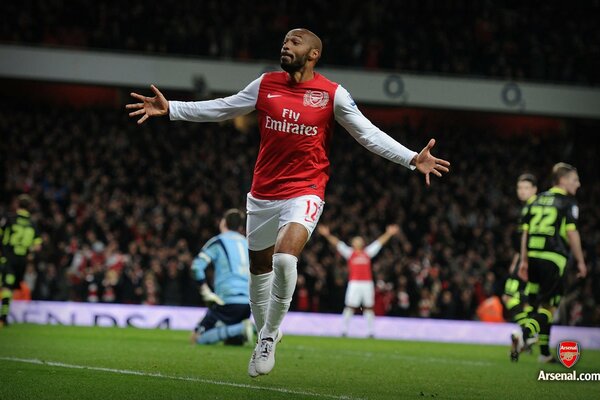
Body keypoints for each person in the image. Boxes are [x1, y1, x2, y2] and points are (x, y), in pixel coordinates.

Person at [126, 28, 450, 377]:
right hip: (263, 194)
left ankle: (267, 336)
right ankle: (266, 326)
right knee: (258, 274)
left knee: (284, 259)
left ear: (313, 54)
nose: (286, 44)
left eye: (295, 42)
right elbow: (224, 107)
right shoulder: (265, 84)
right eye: (284, 40)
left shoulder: (331, 94)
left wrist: (411, 158)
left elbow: (367, 133)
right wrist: (173, 108)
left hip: (306, 190)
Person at [512, 163, 587, 363]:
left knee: (535, 304)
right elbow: (572, 232)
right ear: (562, 180)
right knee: (550, 307)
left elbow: (524, 233)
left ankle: (544, 353)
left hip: (532, 258)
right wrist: (580, 261)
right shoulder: (567, 202)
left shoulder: (535, 201)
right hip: (553, 259)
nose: (578, 184)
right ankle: (525, 334)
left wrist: (524, 260)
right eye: (574, 179)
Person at [318, 224, 399, 338]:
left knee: (368, 307)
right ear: (353, 243)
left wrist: (389, 233)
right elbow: (338, 244)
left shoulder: (368, 252)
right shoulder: (350, 253)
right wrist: (327, 235)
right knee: (350, 306)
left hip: (367, 283)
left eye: (360, 240)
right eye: (357, 240)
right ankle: (344, 330)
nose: (359, 241)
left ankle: (371, 332)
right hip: (354, 283)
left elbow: (379, 243)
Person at [190, 209, 254, 346]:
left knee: (196, 338)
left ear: (223, 223)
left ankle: (245, 328)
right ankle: (239, 330)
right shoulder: (248, 243)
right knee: (232, 342)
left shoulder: (218, 242)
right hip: (248, 304)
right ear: (241, 227)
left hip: (226, 300)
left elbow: (196, 267)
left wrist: (205, 291)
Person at [503, 174, 537, 359]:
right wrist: (515, 261)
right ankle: (526, 336)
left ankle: (527, 334)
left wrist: (523, 262)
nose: (521, 191)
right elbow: (520, 244)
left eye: (525, 187)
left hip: (529, 263)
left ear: (534, 189)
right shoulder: (525, 210)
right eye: (519, 188)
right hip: (522, 261)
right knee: (520, 300)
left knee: (511, 298)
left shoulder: (534, 209)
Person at [0, 194, 42, 327]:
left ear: (17, 204)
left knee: (6, 286)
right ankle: (4, 316)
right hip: (21, 261)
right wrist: (28, 252)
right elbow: (37, 246)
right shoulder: (32, 223)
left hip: (7, 257)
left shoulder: (9, 218)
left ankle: (3, 317)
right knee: (9, 288)